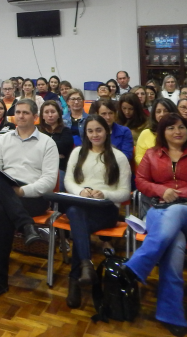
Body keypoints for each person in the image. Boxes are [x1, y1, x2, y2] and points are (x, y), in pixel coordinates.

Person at [123, 113, 187, 336]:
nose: (177, 131)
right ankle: (171, 313)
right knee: (175, 241)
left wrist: (183, 194)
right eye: (171, 128)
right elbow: (141, 182)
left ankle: (137, 265)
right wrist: (161, 190)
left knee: (177, 209)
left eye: (181, 127)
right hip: (160, 213)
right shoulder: (152, 154)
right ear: (162, 132)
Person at [0, 99, 58, 301]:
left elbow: (49, 182)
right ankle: (26, 225)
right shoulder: (5, 139)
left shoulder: (47, 143)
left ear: (35, 117)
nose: (20, 116)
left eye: (25, 113)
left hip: (32, 196)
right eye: (18, 112)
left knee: (4, 210)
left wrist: (21, 191)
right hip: (7, 188)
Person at [62, 114, 131, 308]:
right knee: (75, 213)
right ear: (85, 133)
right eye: (90, 131)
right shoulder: (77, 153)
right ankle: (85, 267)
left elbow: (125, 192)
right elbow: (68, 181)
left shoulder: (119, 157)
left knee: (77, 220)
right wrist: (81, 191)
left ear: (107, 131)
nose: (95, 135)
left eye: (99, 130)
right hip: (82, 204)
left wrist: (104, 194)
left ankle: (76, 278)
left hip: (106, 209)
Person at [135, 98, 179, 166]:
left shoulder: (182, 133)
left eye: (166, 111)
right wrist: (156, 167)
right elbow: (139, 157)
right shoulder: (146, 134)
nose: (162, 114)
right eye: (158, 111)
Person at [39, 100, 74, 179]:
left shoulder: (66, 131)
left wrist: (44, 149)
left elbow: (65, 148)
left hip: (60, 167)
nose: (50, 115)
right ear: (42, 116)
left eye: (53, 112)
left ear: (59, 114)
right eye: (46, 112)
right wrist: (57, 154)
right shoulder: (37, 130)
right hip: (40, 166)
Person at [91, 100, 134, 164]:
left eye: (111, 113)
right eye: (103, 114)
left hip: (117, 165)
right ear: (97, 115)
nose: (108, 117)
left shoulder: (124, 131)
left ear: (115, 114)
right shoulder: (91, 132)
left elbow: (127, 156)